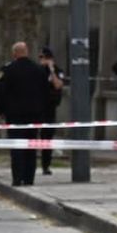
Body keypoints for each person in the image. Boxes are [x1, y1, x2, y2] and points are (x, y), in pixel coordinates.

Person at [0, 41, 50, 187]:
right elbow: (46, 93)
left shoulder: (8, 70)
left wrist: (0, 111)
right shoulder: (39, 70)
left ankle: (17, 178)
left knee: (17, 147)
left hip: (15, 115)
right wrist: (42, 111)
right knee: (31, 147)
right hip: (34, 115)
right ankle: (29, 178)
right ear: (27, 52)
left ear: (14, 54)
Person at [38, 46, 67, 176]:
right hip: (37, 107)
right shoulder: (38, 71)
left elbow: (58, 85)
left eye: (45, 58)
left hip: (50, 108)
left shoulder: (57, 71)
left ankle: (46, 165)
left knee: (47, 137)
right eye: (41, 58)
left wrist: (51, 70)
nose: (43, 60)